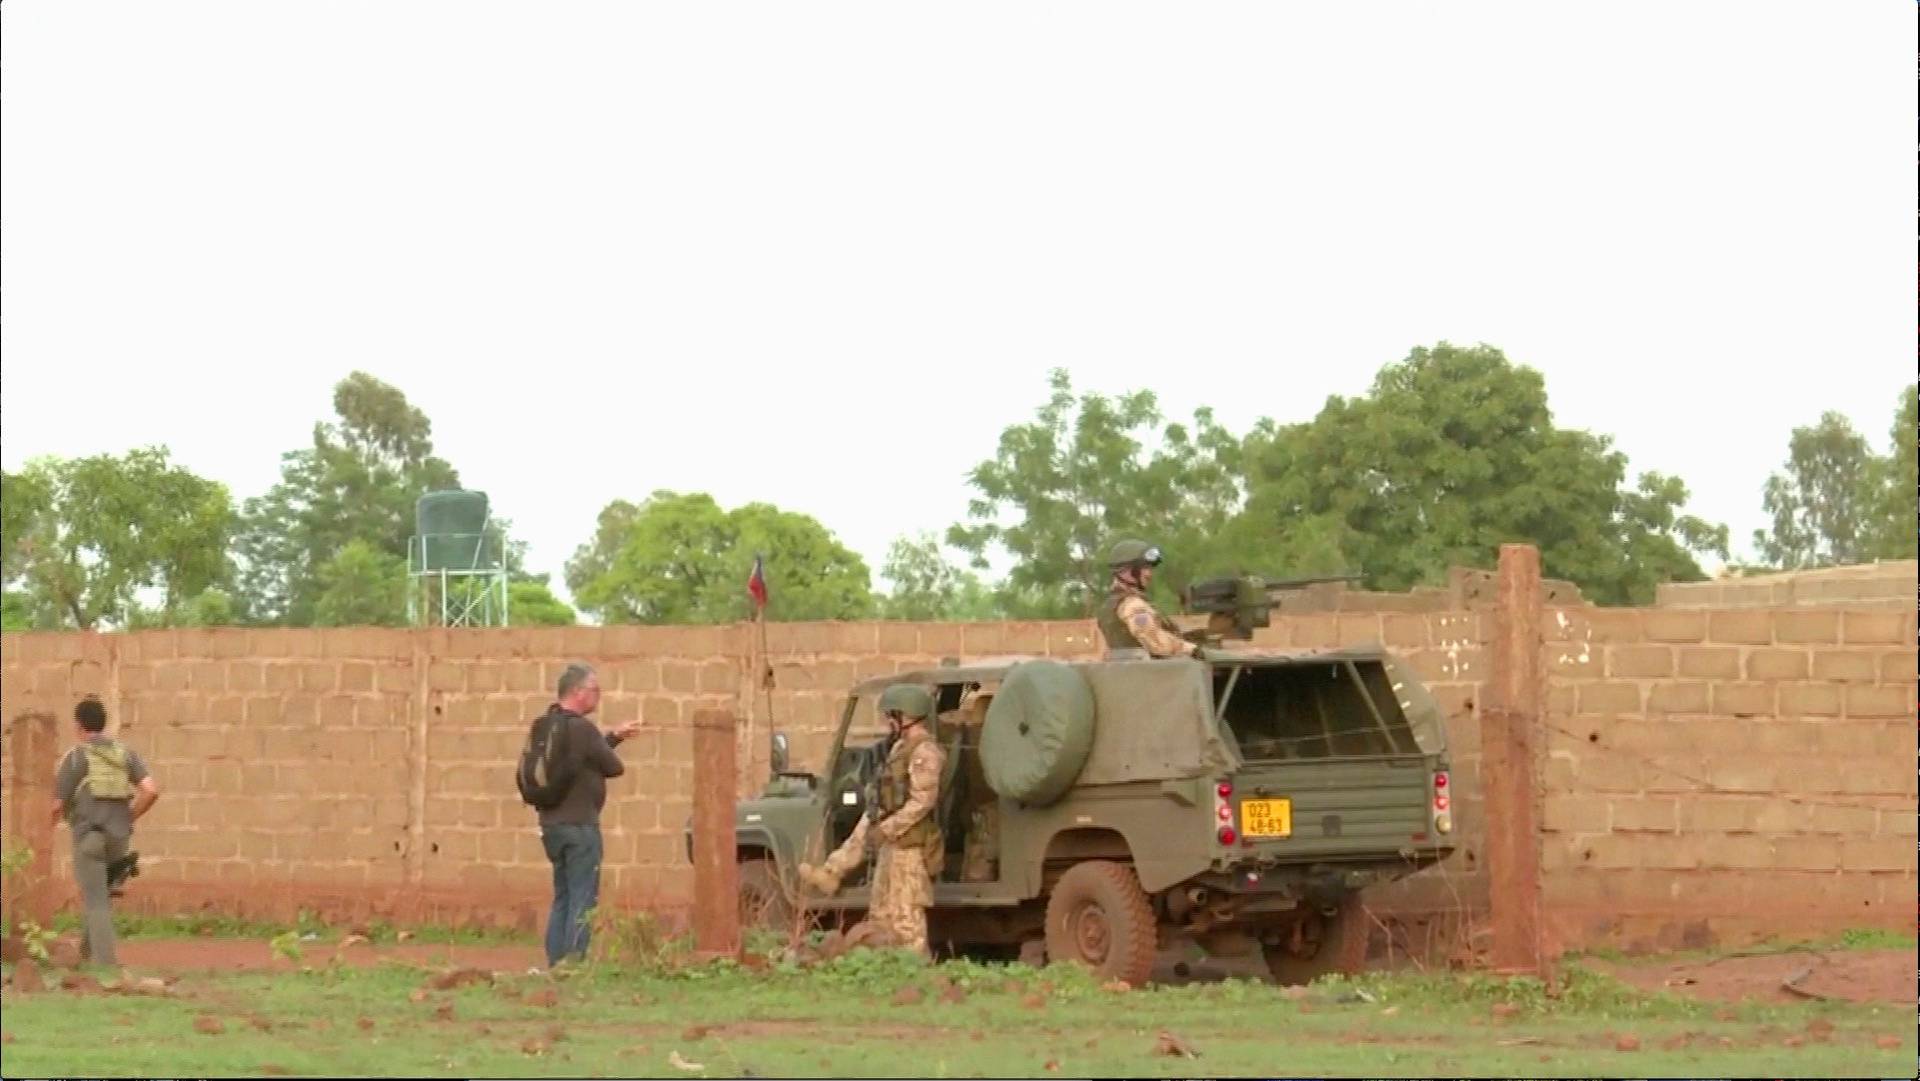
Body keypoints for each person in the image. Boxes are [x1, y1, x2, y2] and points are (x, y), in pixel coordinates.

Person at [796, 684, 946, 957]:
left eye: (892, 715)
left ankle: (915, 975)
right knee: (880, 913)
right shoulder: (900, 747)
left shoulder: (925, 753)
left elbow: (922, 802)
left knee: (906, 918)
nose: (888, 722)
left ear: (907, 716)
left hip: (908, 847)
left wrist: (887, 828)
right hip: (891, 843)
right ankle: (833, 871)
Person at [530, 663, 641, 968]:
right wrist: (607, 744)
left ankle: (556, 963)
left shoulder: (547, 725)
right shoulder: (582, 729)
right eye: (595, 690)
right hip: (580, 827)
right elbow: (613, 767)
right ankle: (575, 964)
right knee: (583, 897)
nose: (598, 696)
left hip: (551, 825)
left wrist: (613, 737)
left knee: (563, 895)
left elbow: (579, 759)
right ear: (578, 692)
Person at [50, 696, 160, 970]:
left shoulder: (76, 757)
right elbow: (150, 790)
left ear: (79, 726)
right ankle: (83, 956)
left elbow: (57, 804)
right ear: (103, 723)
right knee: (98, 892)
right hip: (119, 841)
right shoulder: (125, 753)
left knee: (96, 900)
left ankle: (107, 967)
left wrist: (48, 827)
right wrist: (129, 816)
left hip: (90, 837)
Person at [1097, 538, 1199, 658]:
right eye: (1145, 568)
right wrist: (1195, 651)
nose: (1149, 574)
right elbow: (1156, 642)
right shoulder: (1132, 605)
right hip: (1152, 673)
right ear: (1127, 571)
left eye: (1150, 568)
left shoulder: (1113, 603)